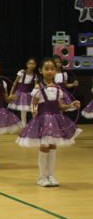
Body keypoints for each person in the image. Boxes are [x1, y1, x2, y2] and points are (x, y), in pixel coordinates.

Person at [16, 57, 82, 186]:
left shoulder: (58, 89)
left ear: (55, 71)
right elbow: (33, 104)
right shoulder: (38, 88)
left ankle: (51, 175)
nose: (50, 71)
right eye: (47, 69)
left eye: (52, 69)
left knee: (53, 146)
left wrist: (71, 105)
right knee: (44, 146)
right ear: (41, 70)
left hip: (56, 120)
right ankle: (42, 177)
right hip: (43, 120)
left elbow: (61, 106)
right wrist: (33, 110)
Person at [8, 58, 38, 126]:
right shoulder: (21, 73)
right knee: (22, 111)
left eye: (33, 64)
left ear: (36, 65)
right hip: (19, 94)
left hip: (28, 95)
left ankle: (29, 125)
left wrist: (35, 97)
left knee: (30, 110)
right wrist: (11, 93)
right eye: (30, 63)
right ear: (27, 64)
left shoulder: (35, 76)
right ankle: (23, 125)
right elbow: (15, 83)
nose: (31, 65)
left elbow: (35, 87)